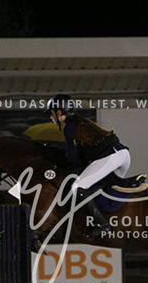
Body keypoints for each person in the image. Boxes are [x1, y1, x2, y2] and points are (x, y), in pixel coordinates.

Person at [46, 94, 131, 240]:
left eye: (51, 113)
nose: (50, 117)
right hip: (122, 155)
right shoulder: (78, 121)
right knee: (92, 182)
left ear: (59, 112)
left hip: (111, 157)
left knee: (78, 186)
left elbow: (72, 158)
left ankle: (102, 224)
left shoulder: (69, 126)